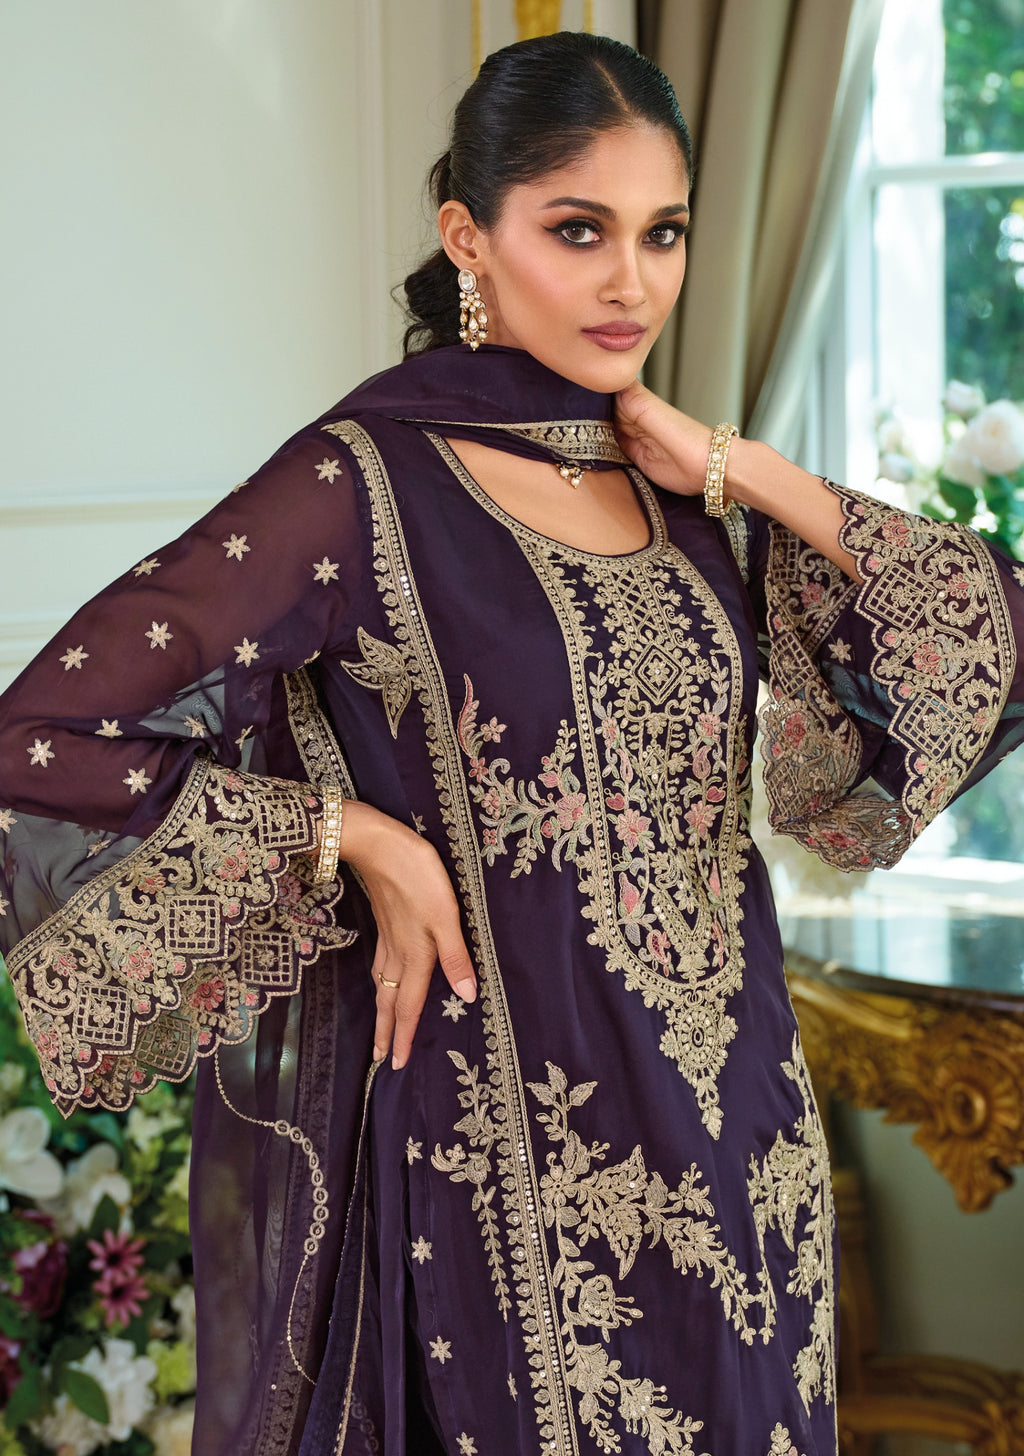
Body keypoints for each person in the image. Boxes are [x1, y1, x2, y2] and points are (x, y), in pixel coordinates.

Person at [1, 29, 1022, 1456]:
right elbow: (42, 735)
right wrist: (353, 838)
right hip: (510, 1173)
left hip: (745, 1151)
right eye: (578, 230)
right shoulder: (362, 485)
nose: (631, 282)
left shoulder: (688, 494)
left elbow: (983, 635)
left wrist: (747, 469)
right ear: (467, 236)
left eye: (663, 233)